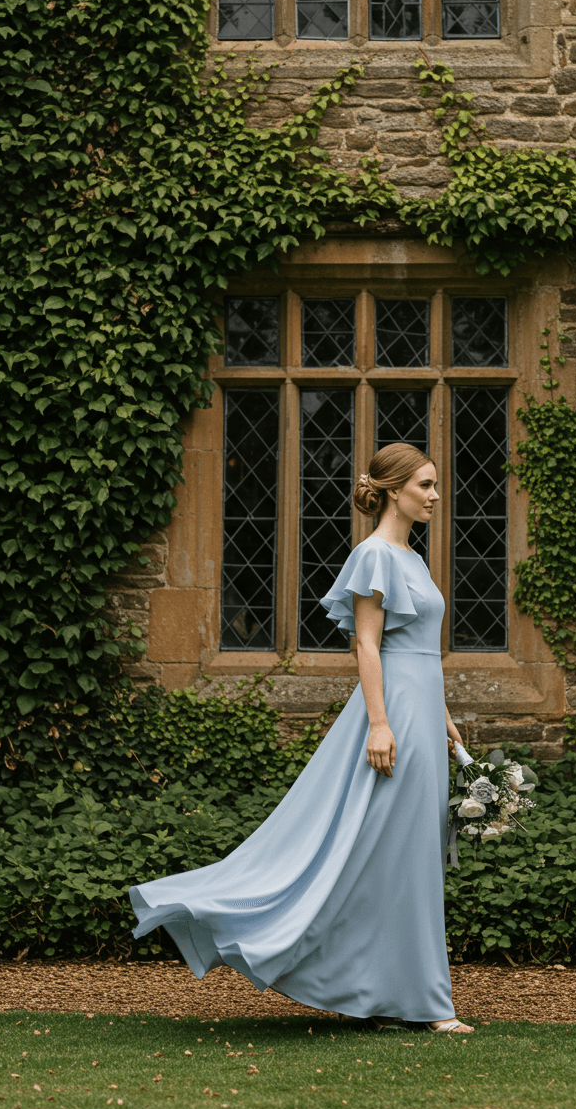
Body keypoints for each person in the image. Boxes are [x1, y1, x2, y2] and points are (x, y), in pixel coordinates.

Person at [129, 442, 474, 1034]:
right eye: (425, 485)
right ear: (394, 490)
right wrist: (381, 723)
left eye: (435, 484)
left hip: (423, 715)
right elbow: (367, 645)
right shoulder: (373, 556)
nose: (436, 496)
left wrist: (443, 720)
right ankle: (421, 1003)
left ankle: (392, 996)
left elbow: (423, 654)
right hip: (391, 718)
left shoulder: (413, 559)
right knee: (363, 855)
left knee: (405, 863)